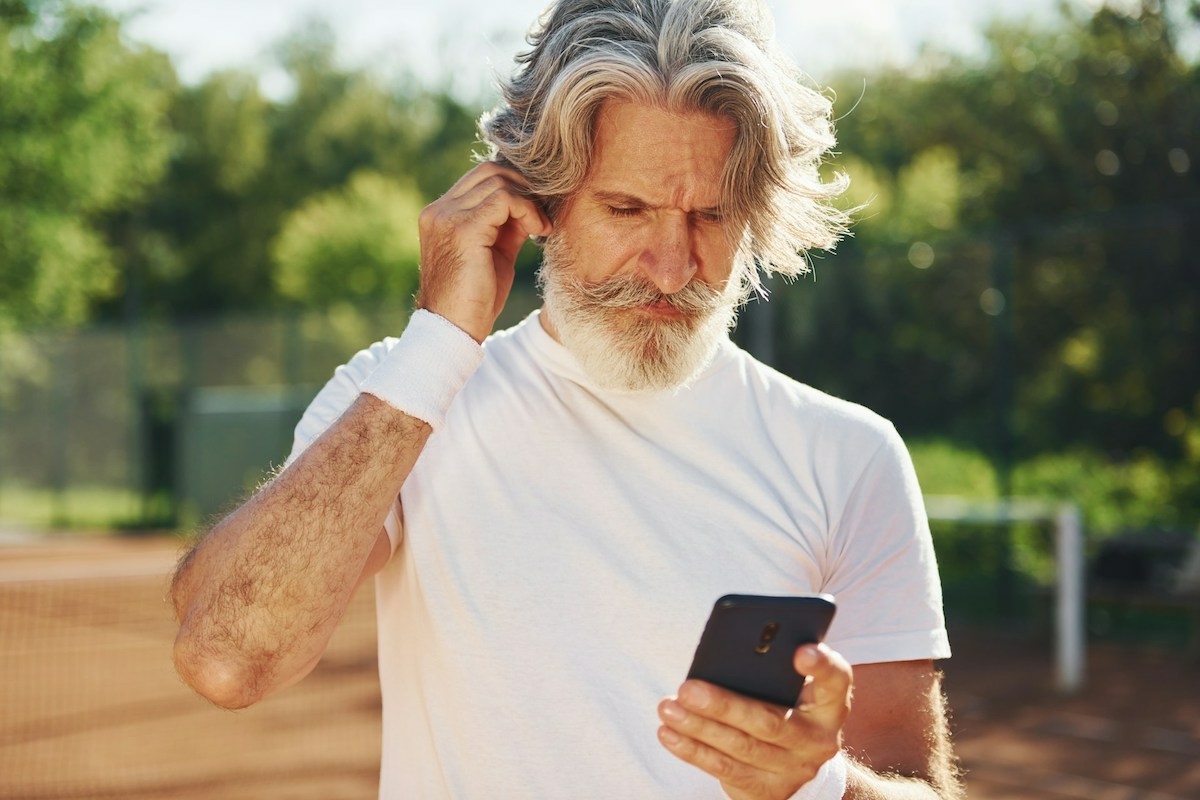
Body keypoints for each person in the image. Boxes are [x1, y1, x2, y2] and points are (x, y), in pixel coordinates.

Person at [170, 0, 962, 797]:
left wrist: (822, 785)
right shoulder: (402, 401)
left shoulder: (848, 453)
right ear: (535, 200)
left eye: (712, 216)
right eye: (627, 210)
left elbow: (917, 786)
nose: (671, 265)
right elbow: (228, 659)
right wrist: (441, 336)